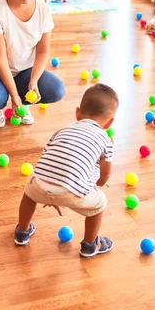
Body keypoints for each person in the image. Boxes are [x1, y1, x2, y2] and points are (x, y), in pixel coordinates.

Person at [14, 83, 119, 258]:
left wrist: (49, 190)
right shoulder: (105, 140)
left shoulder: (61, 131)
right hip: (72, 192)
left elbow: (48, 160)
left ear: (77, 113)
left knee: (29, 192)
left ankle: (22, 232)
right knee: (99, 204)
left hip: (41, 184)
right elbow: (105, 174)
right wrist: (96, 186)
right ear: (110, 122)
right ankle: (90, 245)